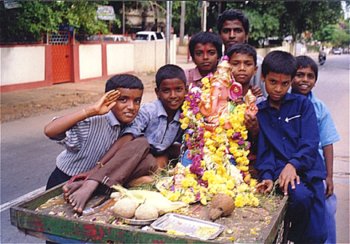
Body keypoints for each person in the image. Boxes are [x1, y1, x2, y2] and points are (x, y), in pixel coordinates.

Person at [64, 64, 188, 213]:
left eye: (178, 90)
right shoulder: (148, 111)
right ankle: (91, 182)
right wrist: (95, 169)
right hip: (127, 157)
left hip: (141, 165)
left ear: (186, 90)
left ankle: (93, 183)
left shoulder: (186, 114)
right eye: (166, 91)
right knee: (142, 142)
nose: (173, 96)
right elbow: (126, 140)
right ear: (157, 92)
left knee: (154, 161)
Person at [254, 51, 327, 243]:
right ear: (263, 77)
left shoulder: (303, 105)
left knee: (318, 234)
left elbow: (311, 142)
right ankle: (290, 238)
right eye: (272, 82)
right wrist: (268, 177)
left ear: (291, 81)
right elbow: (265, 151)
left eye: (284, 83)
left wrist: (293, 164)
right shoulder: (260, 112)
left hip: (311, 172)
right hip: (282, 173)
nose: (278, 89)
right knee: (300, 198)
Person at [45, 74, 144, 190]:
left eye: (137, 101)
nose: (131, 107)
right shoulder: (93, 122)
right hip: (66, 179)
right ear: (108, 99)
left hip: (95, 182)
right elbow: (50, 131)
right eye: (123, 100)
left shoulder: (136, 121)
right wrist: (92, 110)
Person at [292, 55, 340, 243]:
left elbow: (327, 143)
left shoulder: (320, 108)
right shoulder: (283, 102)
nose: (304, 80)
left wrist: (329, 176)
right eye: (299, 75)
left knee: (326, 210)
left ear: (315, 80)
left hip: (315, 167)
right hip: (292, 164)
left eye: (310, 76)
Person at [217, 9, 265, 96]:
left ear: (246, 35)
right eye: (226, 31)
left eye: (238, 31)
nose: (232, 36)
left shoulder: (260, 64)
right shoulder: (217, 64)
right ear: (220, 35)